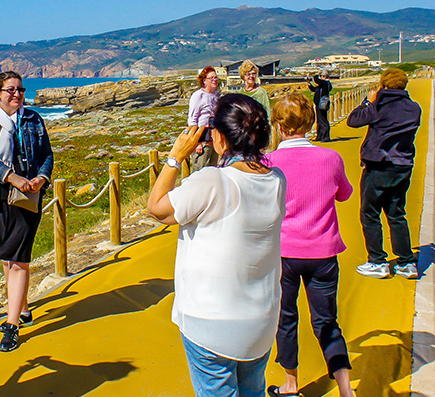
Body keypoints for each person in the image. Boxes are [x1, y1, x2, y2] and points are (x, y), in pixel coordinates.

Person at [147, 94, 286, 397]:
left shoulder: (213, 181)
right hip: (262, 317)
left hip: (210, 321)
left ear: (220, 137)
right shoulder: (277, 179)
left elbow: (157, 208)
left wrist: (175, 157)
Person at [266, 94, 355, 397]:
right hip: (323, 251)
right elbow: (344, 194)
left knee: (286, 318)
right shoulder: (330, 158)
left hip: (284, 254)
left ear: (278, 126)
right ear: (311, 121)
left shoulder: (270, 163)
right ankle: (345, 388)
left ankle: (291, 384)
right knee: (327, 321)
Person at [0, 71, 53, 352]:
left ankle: (12, 325)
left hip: (27, 197)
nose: (17, 94)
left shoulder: (33, 120)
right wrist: (11, 176)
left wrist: (41, 179)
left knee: (18, 259)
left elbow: (46, 154)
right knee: (6, 258)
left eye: (20, 89)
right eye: (10, 90)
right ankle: (23, 306)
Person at [347, 68, 422, 279]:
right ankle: (406, 263)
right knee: (397, 213)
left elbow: (353, 121)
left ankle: (377, 261)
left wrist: (369, 101)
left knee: (370, 214)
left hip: (378, 165)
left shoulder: (379, 106)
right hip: (403, 166)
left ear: (383, 85)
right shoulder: (414, 108)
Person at [187, 65, 221, 170]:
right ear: (204, 80)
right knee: (200, 170)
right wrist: (197, 142)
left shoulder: (217, 96)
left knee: (212, 171)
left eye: (215, 77)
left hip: (214, 140)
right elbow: (192, 119)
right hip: (202, 141)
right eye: (211, 78)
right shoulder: (198, 96)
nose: (214, 80)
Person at [307, 70, 333, 142]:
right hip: (318, 104)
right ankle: (320, 136)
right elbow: (315, 89)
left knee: (323, 120)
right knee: (319, 120)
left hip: (322, 104)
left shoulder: (326, 83)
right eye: (321, 76)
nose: (322, 77)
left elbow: (317, 80)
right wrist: (309, 84)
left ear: (327, 77)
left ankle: (325, 137)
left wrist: (315, 74)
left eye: (323, 76)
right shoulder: (322, 85)